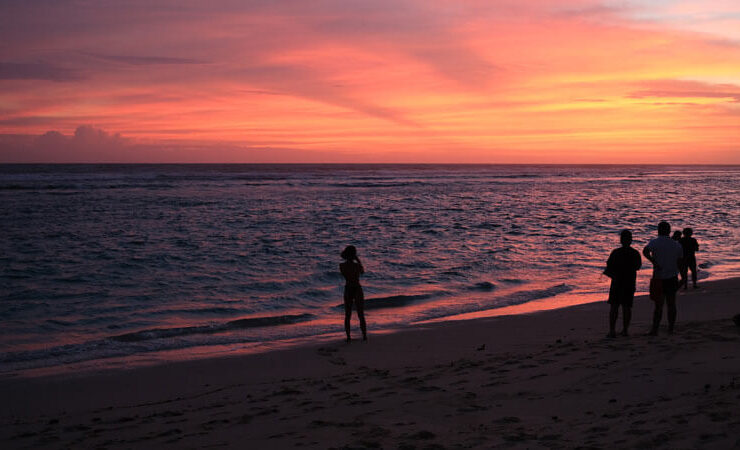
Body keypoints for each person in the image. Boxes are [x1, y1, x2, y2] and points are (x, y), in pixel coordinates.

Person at [643, 221, 683, 335]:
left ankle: (655, 329)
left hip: (659, 277)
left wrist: (653, 262)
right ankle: (671, 328)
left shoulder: (655, 242)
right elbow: (680, 262)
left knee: (658, 305)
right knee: (671, 303)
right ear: (669, 230)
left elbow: (645, 251)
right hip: (672, 276)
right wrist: (683, 276)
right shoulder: (676, 244)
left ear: (658, 230)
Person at [604, 229, 642, 337]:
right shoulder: (635, 253)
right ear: (631, 240)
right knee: (627, 307)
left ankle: (612, 331)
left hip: (617, 282)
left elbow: (608, 267)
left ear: (621, 240)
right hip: (629, 282)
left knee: (614, 307)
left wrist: (614, 275)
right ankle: (625, 330)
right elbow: (638, 267)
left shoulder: (616, 252)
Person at [339, 245, 367, 342]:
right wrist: (358, 260)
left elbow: (345, 275)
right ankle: (364, 336)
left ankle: (348, 337)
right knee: (360, 314)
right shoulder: (357, 266)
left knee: (348, 314)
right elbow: (362, 272)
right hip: (357, 288)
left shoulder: (341, 266)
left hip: (348, 288)